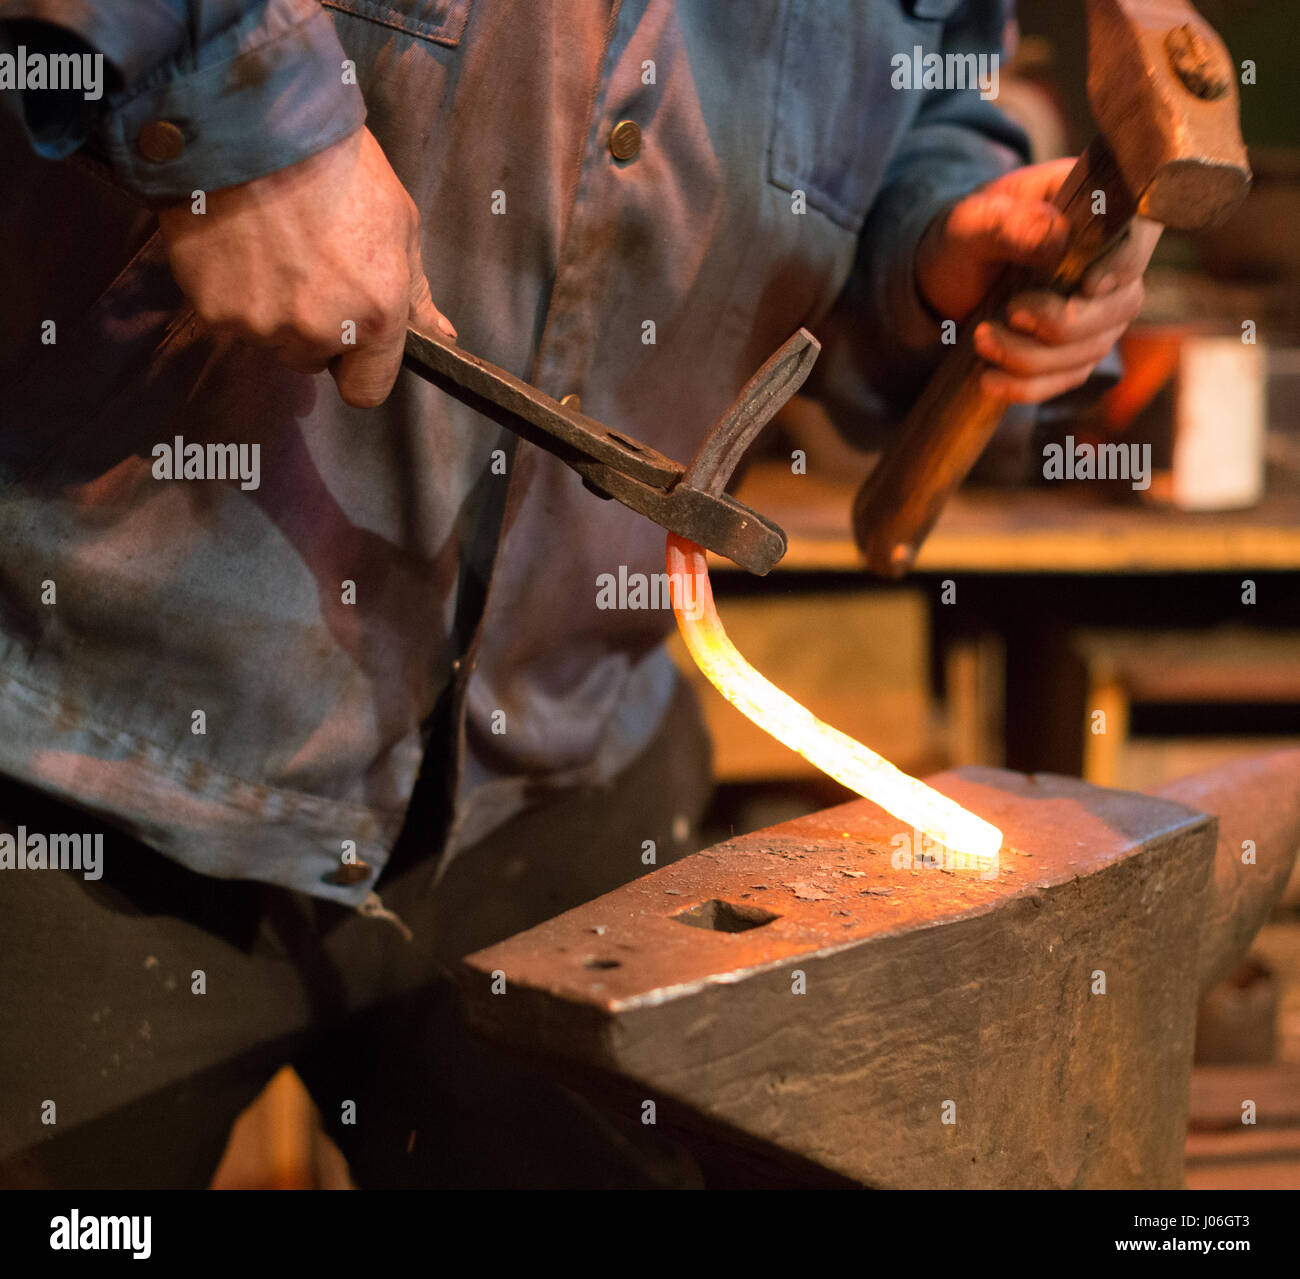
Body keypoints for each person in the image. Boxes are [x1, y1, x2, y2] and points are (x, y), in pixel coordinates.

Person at [0, 0, 1157, 1188]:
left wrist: (939, 244)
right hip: (78, 745)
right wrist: (240, 108)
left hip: (567, 791)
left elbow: (916, 110)